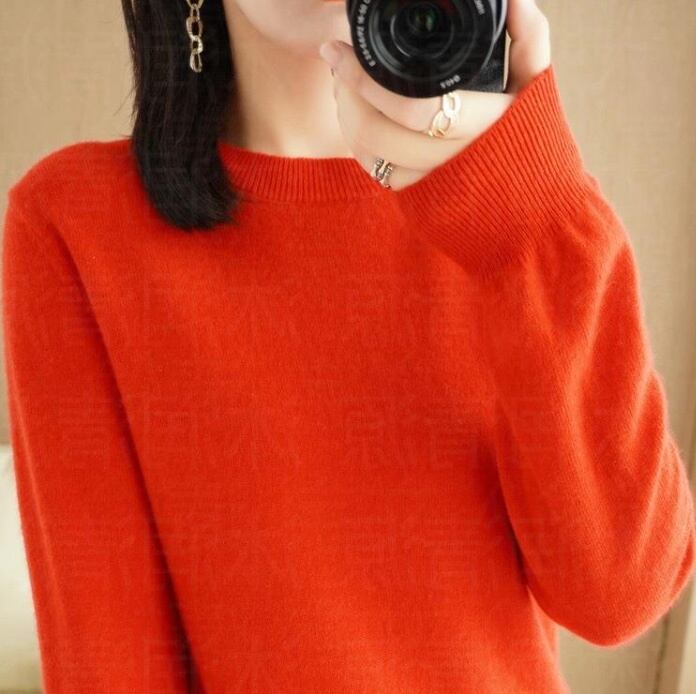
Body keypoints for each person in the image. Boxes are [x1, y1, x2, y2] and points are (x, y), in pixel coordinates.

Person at [2, 0, 695, 691]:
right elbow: (110, 664)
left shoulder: (510, 212)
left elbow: (619, 595)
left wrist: (536, 214)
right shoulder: (76, 224)